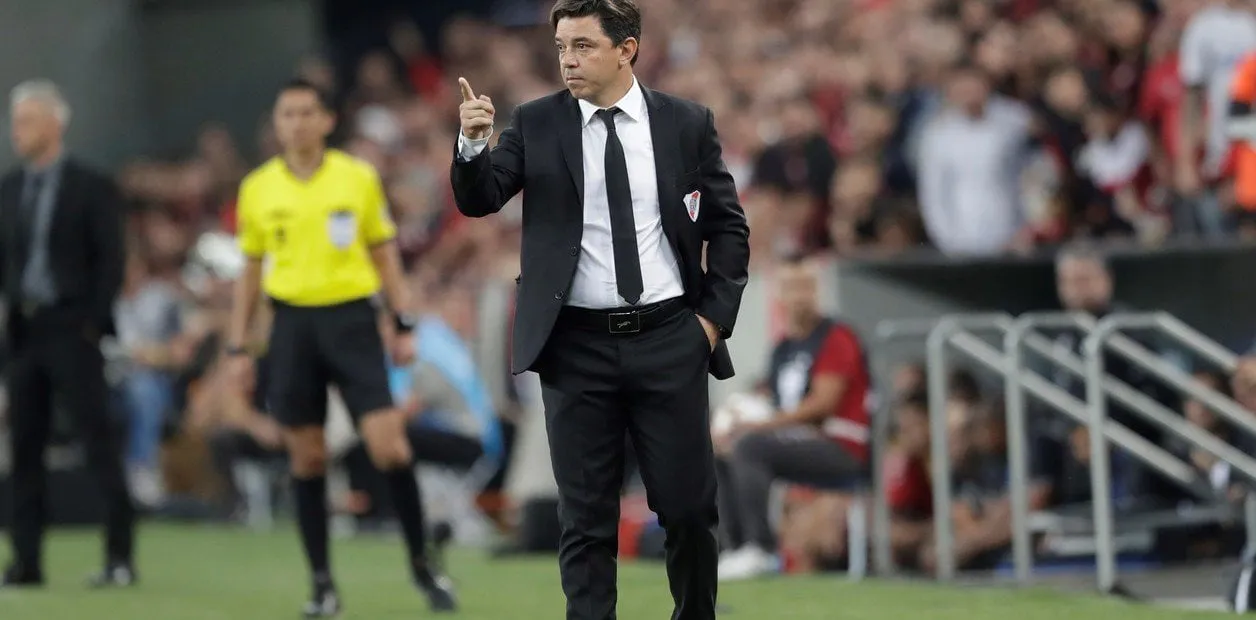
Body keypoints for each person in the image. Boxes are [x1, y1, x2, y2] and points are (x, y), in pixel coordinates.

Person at [450, 0, 750, 617]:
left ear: (626, 49)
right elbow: (481, 199)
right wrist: (473, 144)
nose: (568, 59)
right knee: (585, 520)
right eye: (562, 47)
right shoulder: (537, 121)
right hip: (576, 346)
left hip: (669, 337)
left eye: (583, 45)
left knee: (689, 510)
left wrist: (710, 323)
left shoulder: (685, 122)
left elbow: (728, 227)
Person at [225, 78, 455, 617]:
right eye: (288, 113)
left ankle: (422, 564)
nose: (297, 122)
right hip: (292, 325)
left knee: (388, 446)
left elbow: (384, 254)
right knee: (307, 456)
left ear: (327, 121)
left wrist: (402, 322)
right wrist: (237, 348)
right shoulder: (258, 187)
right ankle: (322, 585)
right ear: (277, 124)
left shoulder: (357, 177)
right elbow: (250, 272)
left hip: (352, 320)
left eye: (307, 112)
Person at [0, 79, 136, 589]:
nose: (17, 131)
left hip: (71, 327)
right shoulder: (9, 189)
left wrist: (90, 322)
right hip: (24, 330)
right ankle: (26, 560)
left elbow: (110, 260)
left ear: (56, 123)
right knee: (25, 447)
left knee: (96, 441)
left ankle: (119, 556)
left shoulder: (90, 186)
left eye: (27, 121)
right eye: (14, 122)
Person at [714, 257, 870, 581]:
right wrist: (733, 418)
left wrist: (761, 426)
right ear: (779, 295)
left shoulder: (837, 337)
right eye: (791, 287)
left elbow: (822, 404)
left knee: (751, 447)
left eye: (806, 287)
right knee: (723, 449)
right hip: (796, 441)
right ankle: (735, 547)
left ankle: (761, 548)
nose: (800, 296)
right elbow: (770, 398)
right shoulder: (783, 348)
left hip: (839, 446)